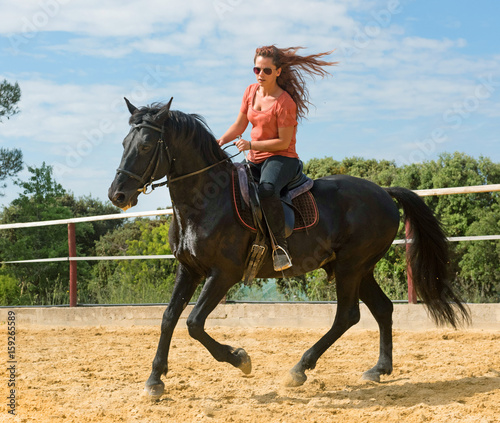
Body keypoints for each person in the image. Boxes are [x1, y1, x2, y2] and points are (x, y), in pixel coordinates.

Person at [218, 45, 337, 271]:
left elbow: (283, 142)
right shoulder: (250, 91)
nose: (260, 75)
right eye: (256, 70)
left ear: (278, 72)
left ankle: (279, 248)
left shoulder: (285, 103)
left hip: (282, 158)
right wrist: (220, 141)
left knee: (266, 189)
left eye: (266, 71)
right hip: (254, 158)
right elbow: (240, 125)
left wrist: (250, 144)